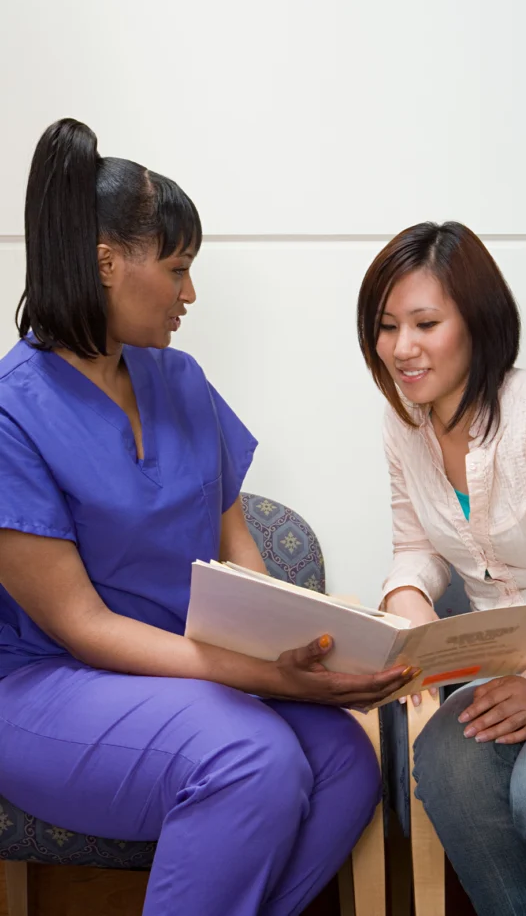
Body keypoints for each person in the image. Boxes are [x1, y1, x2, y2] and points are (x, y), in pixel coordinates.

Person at [0, 119, 410, 916]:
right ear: (106, 262)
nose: (191, 295)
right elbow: (83, 627)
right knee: (252, 758)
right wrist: (263, 677)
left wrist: (311, 645)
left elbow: (241, 556)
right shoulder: (10, 414)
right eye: (180, 269)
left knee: (345, 764)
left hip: (188, 678)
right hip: (46, 688)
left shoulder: (180, 380)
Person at [357, 221, 526, 916]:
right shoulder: (403, 423)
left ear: (476, 321)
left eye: (425, 322)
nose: (401, 348)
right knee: (447, 763)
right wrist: (409, 600)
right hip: (512, 656)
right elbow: (414, 543)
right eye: (387, 326)